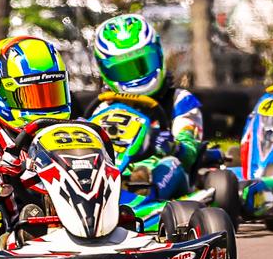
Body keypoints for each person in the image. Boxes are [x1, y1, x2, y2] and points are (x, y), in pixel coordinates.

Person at [87, 13, 204, 201]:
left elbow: (190, 152)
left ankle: (145, 196)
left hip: (167, 172)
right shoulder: (103, 109)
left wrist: (170, 146)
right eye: (124, 70)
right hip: (117, 173)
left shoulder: (180, 101)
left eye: (141, 65)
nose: (134, 77)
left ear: (157, 54)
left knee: (170, 164)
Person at [0, 35, 72, 226]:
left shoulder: (76, 130)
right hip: (25, 229)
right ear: (1, 95)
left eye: (51, 93)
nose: (45, 107)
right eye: (31, 96)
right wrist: (3, 177)